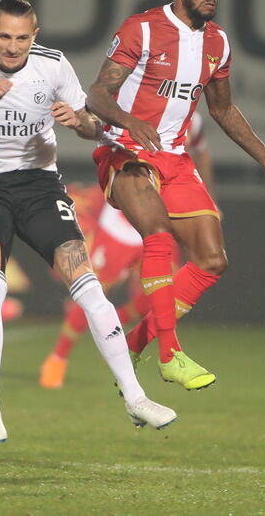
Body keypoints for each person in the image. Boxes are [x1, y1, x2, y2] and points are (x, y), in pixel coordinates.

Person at [0, 0, 177, 447]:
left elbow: (93, 124)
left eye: (21, 39)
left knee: (90, 287)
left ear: (34, 35)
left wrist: (79, 123)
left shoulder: (53, 65)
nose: (12, 48)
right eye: (3, 38)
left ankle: (136, 399)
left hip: (39, 184)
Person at [86, 0, 265, 390]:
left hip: (175, 159)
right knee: (157, 232)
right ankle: (170, 354)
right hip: (126, 152)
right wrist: (130, 121)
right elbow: (97, 96)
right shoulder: (143, 29)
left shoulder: (218, 43)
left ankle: (133, 343)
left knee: (211, 259)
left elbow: (222, 110)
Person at [39, 111, 213, 389]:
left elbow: (201, 153)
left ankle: (119, 330)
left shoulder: (193, 118)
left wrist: (206, 196)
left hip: (163, 220)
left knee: (159, 297)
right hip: (122, 225)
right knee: (92, 293)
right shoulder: (141, 104)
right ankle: (57, 359)